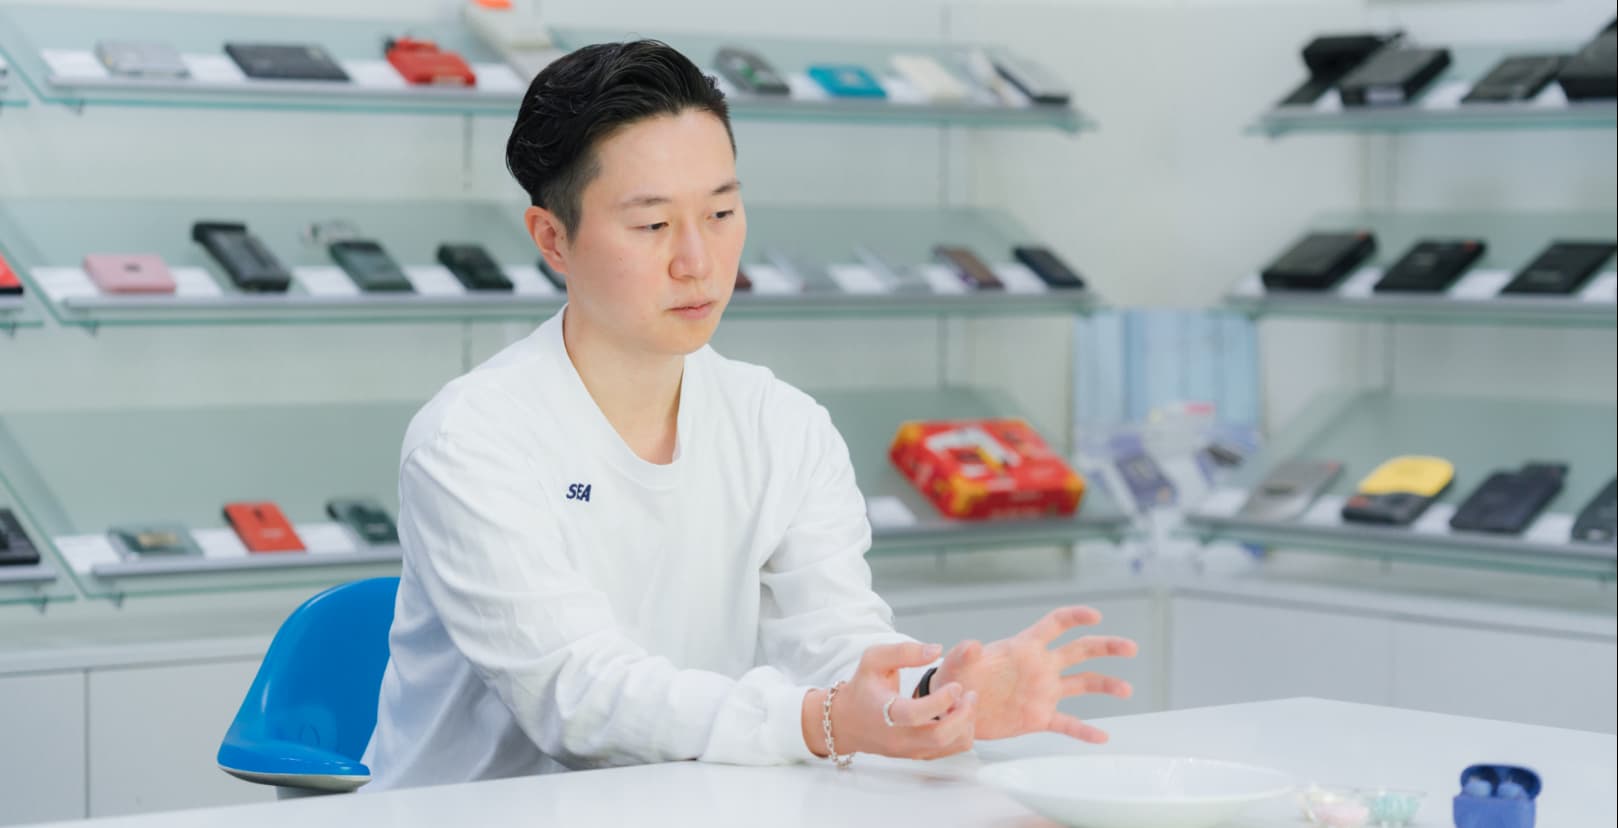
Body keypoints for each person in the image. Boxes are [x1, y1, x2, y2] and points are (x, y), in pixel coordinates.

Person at [362, 39, 1137, 792]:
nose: (697, 261)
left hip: (682, 805)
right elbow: (577, 694)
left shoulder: (782, 425)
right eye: (652, 225)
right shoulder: (471, 440)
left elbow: (835, 641)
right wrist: (818, 722)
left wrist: (936, 693)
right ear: (552, 240)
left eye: (722, 212)